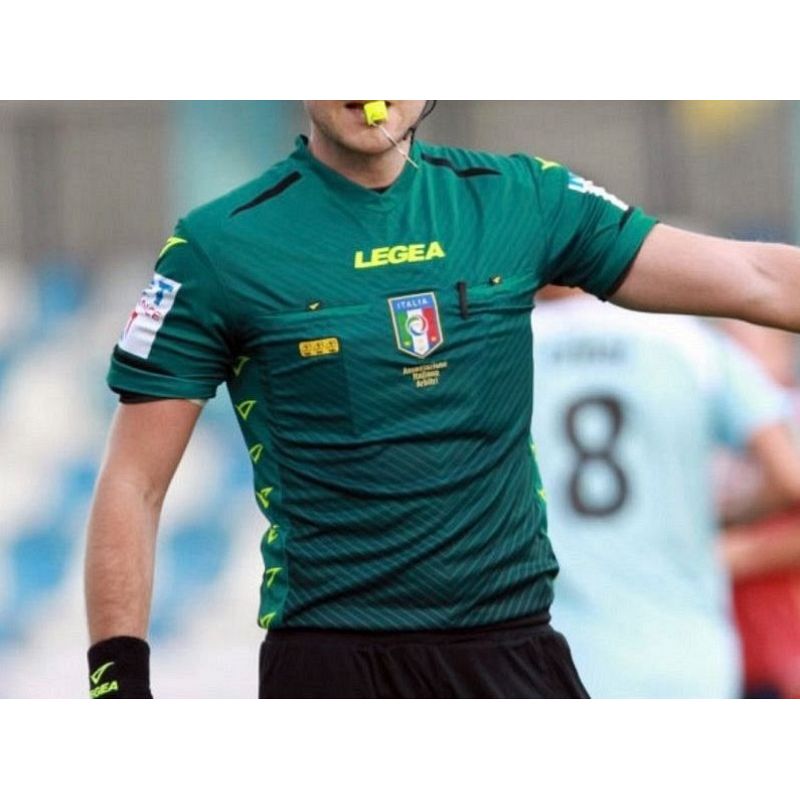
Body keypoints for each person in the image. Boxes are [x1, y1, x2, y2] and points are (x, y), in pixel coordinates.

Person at [84, 100, 800, 699]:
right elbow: (133, 483)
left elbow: (756, 277)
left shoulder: (522, 197)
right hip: (332, 666)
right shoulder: (218, 246)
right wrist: (118, 689)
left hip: (514, 654)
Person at [531, 285, 800, 698]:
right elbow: (790, 478)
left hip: (558, 655)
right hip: (686, 655)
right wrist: (717, 519)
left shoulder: (503, 348)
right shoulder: (690, 342)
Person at [716, 322, 800, 698]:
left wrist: (741, 555)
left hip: (782, 652)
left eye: (747, 346)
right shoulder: (705, 416)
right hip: (715, 645)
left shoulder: (788, 416)